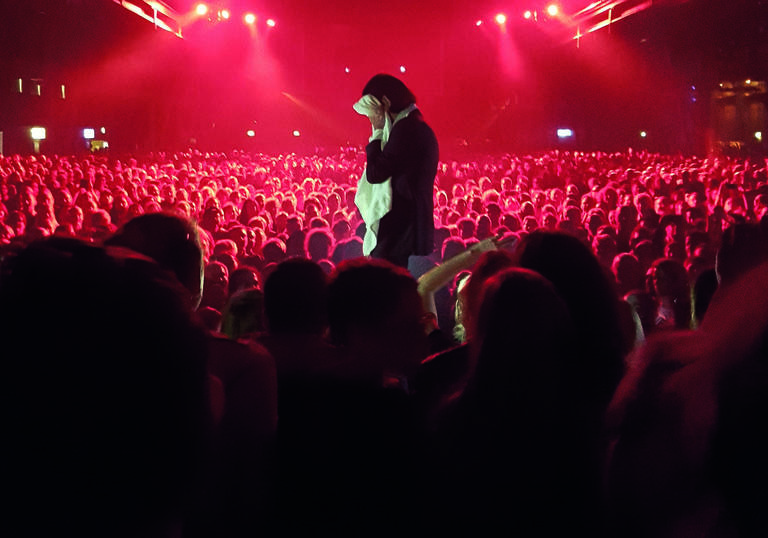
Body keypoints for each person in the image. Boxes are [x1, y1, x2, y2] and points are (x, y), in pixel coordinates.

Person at [356, 73, 439, 268]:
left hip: (401, 232)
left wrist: (377, 132)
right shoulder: (415, 124)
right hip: (408, 228)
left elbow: (376, 173)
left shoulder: (405, 128)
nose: (371, 118)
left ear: (385, 102)